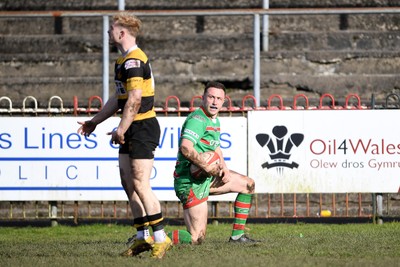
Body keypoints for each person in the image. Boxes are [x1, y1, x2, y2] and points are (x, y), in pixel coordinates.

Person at [77, 12, 171, 259]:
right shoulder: (122, 62)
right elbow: (118, 99)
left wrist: (121, 129)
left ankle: (161, 238)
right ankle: (142, 237)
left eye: (111, 29)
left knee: (140, 182)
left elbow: (136, 99)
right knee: (128, 183)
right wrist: (94, 122)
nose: (108, 32)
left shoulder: (134, 61)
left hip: (143, 126)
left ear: (121, 33)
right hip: (130, 126)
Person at [172, 81, 257, 244]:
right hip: (190, 182)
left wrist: (223, 167)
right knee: (196, 239)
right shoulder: (198, 119)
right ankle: (152, 239)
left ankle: (237, 237)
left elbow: (215, 147)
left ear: (224, 101)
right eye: (211, 97)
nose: (214, 101)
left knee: (248, 185)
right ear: (203, 98)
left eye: (219, 98)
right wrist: (207, 167)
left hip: (206, 177)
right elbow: (185, 148)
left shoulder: (214, 120)